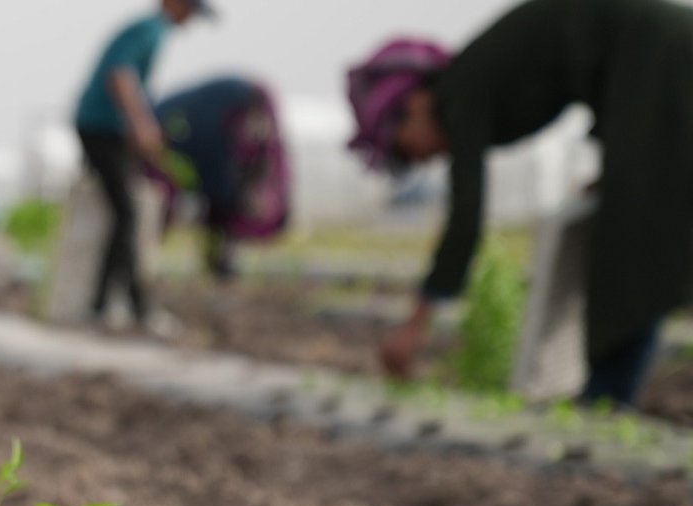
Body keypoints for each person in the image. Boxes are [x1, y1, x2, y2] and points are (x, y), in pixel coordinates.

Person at [348, 0, 693, 406]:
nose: (419, 159)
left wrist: (416, 324)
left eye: (405, 149)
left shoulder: (459, 92)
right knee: (639, 217)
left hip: (657, 52)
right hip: (653, 52)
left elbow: (465, 217)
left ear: (415, 104)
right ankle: (608, 391)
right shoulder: (474, 77)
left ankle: (607, 395)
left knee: (631, 234)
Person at [74, 0, 214, 331]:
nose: (190, 20)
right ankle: (121, 306)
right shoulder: (150, 29)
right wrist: (141, 123)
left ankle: (110, 304)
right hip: (101, 128)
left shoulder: (150, 30)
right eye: (189, 10)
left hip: (105, 129)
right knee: (127, 214)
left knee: (123, 214)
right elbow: (120, 75)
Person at [153, 76, 291, 280]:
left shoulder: (241, 133)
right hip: (213, 160)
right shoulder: (206, 127)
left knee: (227, 205)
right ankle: (219, 262)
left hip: (222, 163)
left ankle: (220, 261)